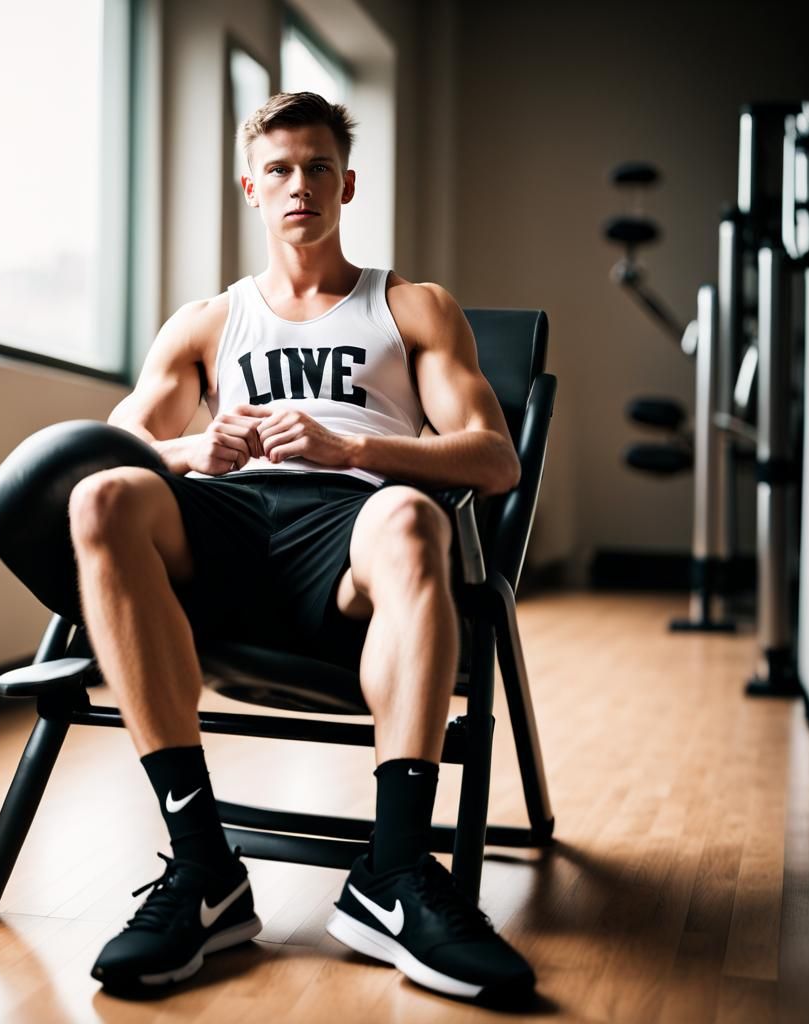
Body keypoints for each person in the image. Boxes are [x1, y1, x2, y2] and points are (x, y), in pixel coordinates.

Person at [68, 91, 534, 1000]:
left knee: (412, 517)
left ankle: (394, 877)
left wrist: (353, 446)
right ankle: (204, 868)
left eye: (318, 167)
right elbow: (113, 443)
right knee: (103, 496)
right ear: (252, 187)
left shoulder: (414, 306)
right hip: (228, 523)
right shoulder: (208, 321)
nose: (300, 185)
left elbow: (494, 457)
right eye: (279, 169)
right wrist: (191, 450)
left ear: (347, 183)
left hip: (352, 528)